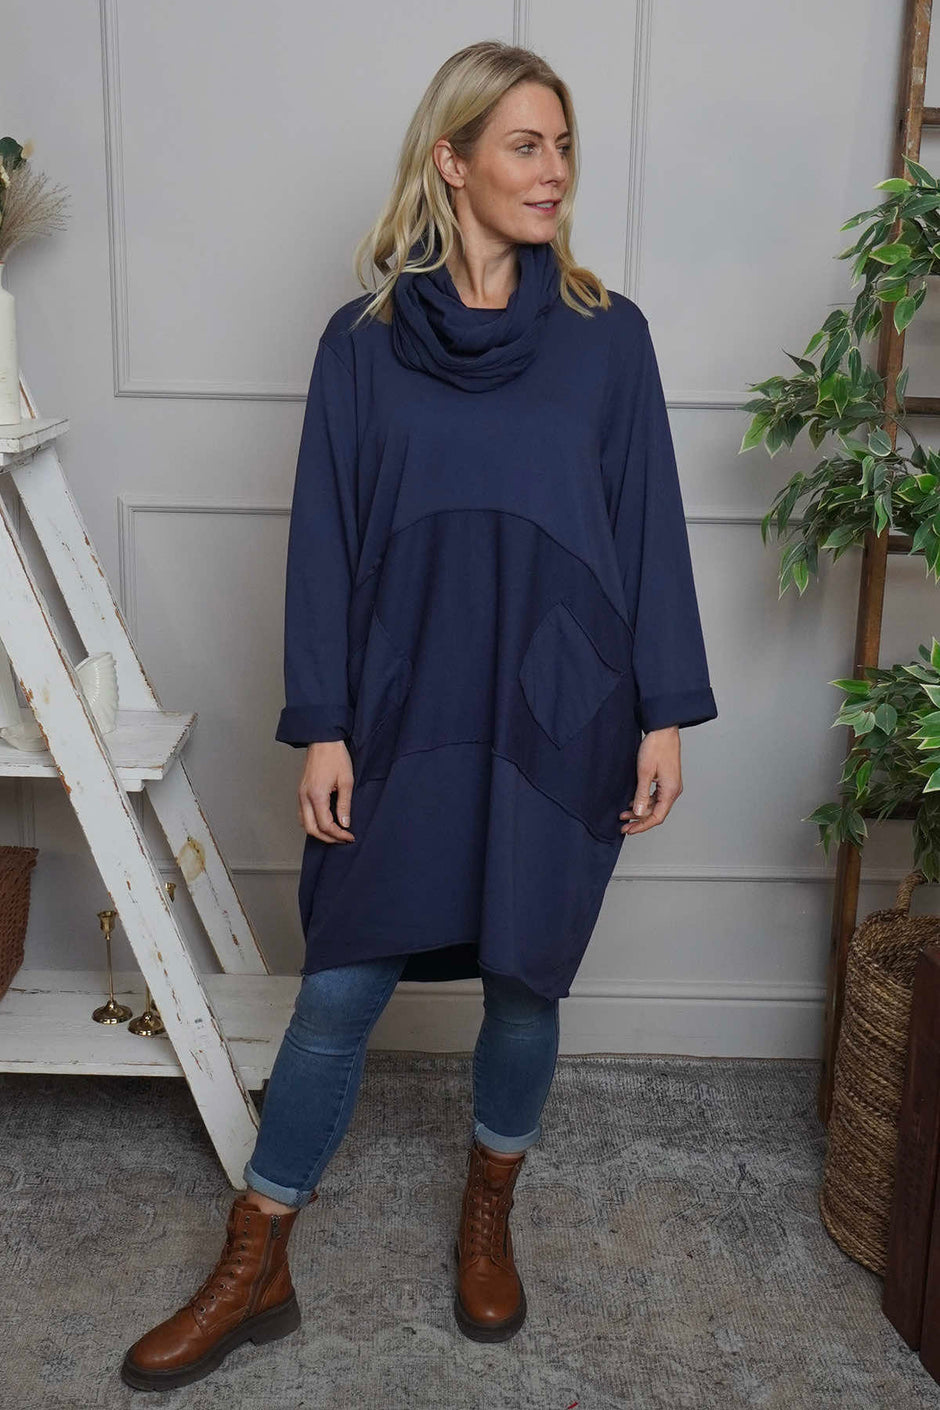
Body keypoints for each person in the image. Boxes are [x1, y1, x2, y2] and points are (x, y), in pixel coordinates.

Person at [120, 37, 718, 1393]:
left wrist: (663, 714)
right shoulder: (364, 343)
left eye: (563, 146)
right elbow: (323, 544)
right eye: (525, 145)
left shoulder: (608, 337)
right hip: (403, 704)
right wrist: (326, 722)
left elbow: (651, 531)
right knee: (341, 982)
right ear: (451, 161)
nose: (554, 172)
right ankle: (259, 1254)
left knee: (524, 974)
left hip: (558, 704)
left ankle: (489, 1210)